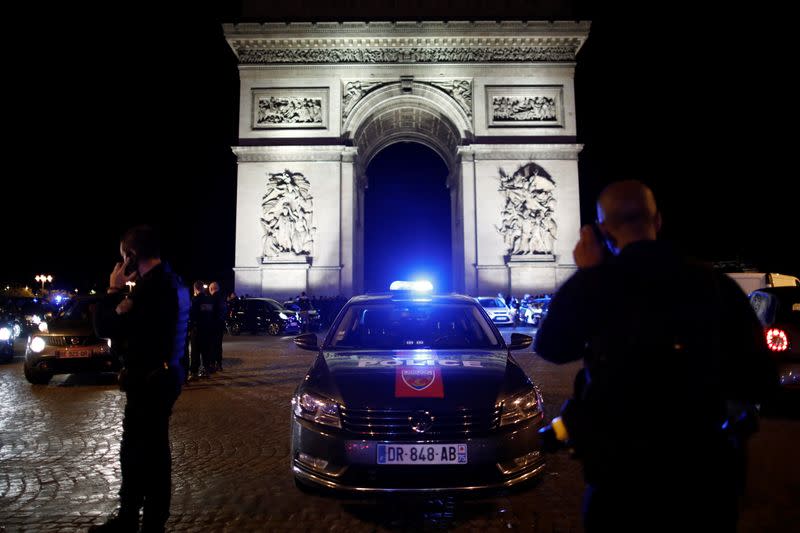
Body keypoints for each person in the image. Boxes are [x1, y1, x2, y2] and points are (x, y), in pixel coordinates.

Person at [534, 180, 776, 533]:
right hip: (703, 479)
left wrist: (588, 277)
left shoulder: (597, 285)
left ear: (602, 231)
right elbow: (761, 381)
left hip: (621, 482)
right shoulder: (714, 284)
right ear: (658, 221)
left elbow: (551, 347)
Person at [91, 225, 190, 533]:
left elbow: (106, 327)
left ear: (132, 256)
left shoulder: (150, 290)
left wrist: (113, 290)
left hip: (148, 381)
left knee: (138, 456)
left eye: (124, 257)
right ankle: (143, 521)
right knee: (153, 454)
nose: (122, 264)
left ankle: (134, 522)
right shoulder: (174, 282)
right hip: (164, 375)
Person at [207, 281, 226, 370]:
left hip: (212, 325)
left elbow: (209, 313)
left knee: (212, 345)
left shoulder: (211, 299)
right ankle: (219, 364)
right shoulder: (222, 299)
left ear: (211, 289)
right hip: (220, 324)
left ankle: (212, 364)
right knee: (218, 345)